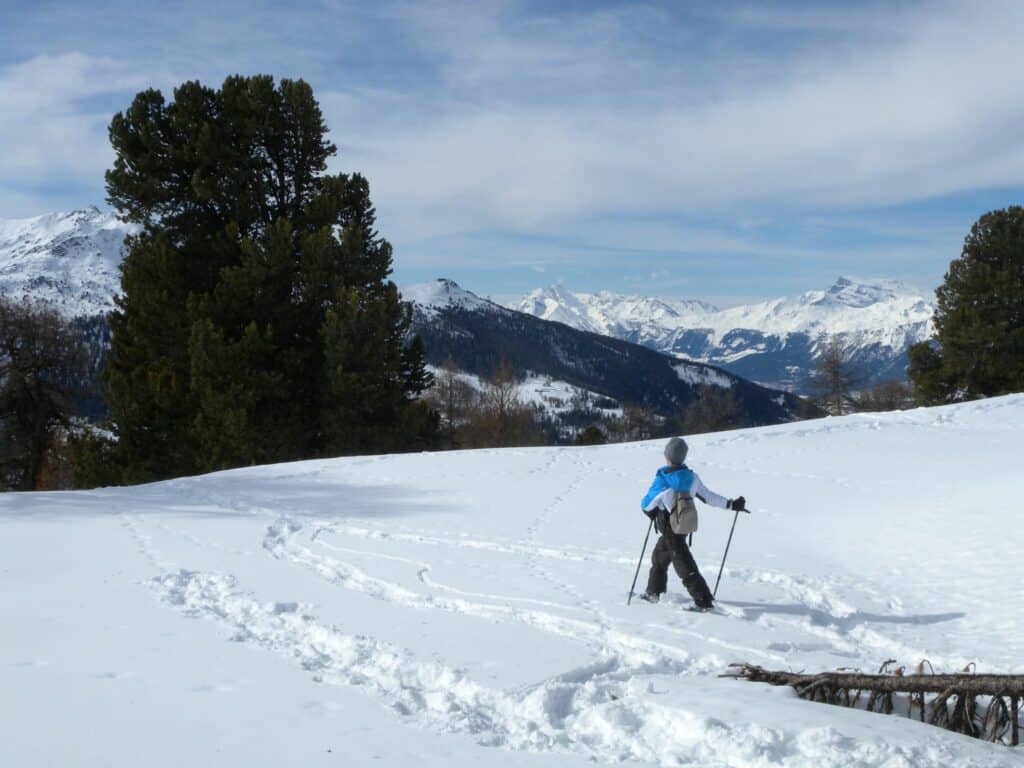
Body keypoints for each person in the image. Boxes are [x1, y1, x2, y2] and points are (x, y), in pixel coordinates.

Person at [638, 436, 746, 611]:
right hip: (684, 526)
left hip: (670, 528)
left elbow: (646, 505)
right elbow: (708, 496)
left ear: (668, 456)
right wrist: (731, 504)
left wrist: (652, 512)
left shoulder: (663, 479)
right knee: (659, 557)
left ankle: (703, 600)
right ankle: (653, 592)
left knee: (684, 565)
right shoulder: (692, 477)